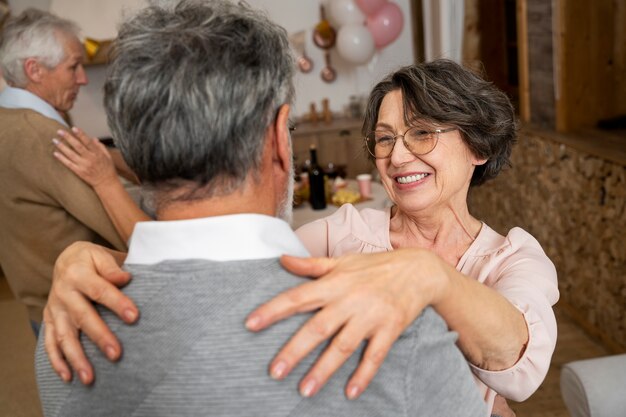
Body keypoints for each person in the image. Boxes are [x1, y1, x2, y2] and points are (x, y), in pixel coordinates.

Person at [40, 27, 558, 417]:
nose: (398, 156)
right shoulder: (342, 232)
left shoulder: (512, 258)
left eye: (421, 134)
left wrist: (431, 276)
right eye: (384, 138)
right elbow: (227, 262)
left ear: (478, 147)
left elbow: (518, 368)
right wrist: (87, 259)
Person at [0, 8, 139, 335]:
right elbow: (129, 234)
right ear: (34, 69)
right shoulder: (45, 135)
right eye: (73, 66)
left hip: (42, 302)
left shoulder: (13, 118)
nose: (83, 78)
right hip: (83, 308)